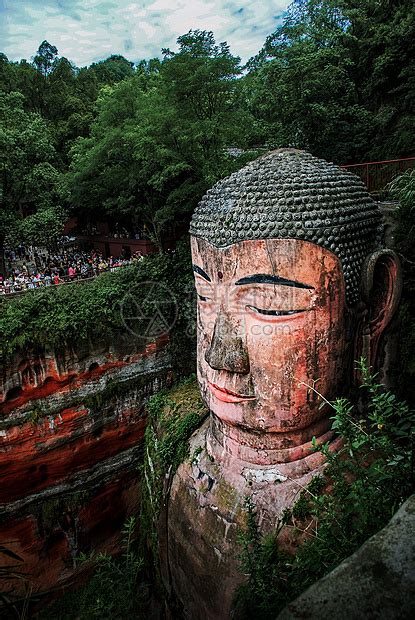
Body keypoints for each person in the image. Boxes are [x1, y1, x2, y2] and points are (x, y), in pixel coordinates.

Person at [165, 149, 402, 619]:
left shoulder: (357, 504)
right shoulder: (188, 452)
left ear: (374, 304)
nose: (219, 354)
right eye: (204, 297)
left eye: (271, 307)